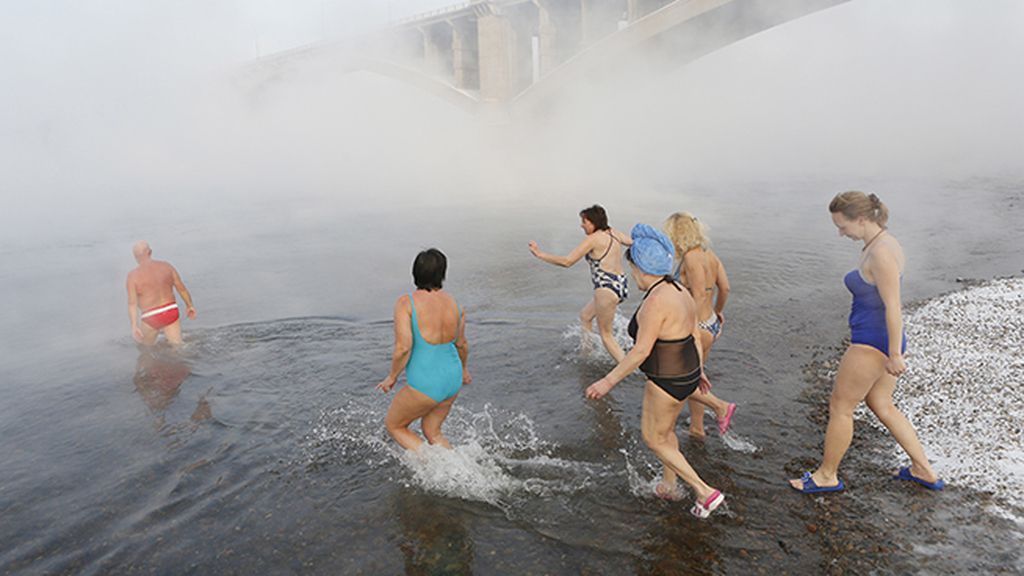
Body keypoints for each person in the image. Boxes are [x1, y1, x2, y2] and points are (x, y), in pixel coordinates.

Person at [790, 191, 944, 493]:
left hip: (872, 342)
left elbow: (893, 306)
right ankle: (923, 469)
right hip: (880, 340)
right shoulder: (881, 243)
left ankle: (826, 476)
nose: (840, 233)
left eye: (843, 226)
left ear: (861, 219)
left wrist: (895, 353)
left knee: (841, 407)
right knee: (881, 404)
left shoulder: (881, 253)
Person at [585, 224, 726, 519]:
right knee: (667, 433)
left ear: (641, 268)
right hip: (686, 369)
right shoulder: (679, 290)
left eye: (632, 266)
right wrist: (699, 371)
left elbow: (640, 351)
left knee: (654, 438)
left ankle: (704, 491)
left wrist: (607, 381)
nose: (631, 273)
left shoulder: (655, 301)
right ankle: (669, 485)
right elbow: (695, 335)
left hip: (666, 378)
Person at [376, 248, 471, 451]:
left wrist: (392, 377)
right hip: (452, 379)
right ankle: (457, 468)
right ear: (442, 274)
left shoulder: (406, 303)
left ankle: (436, 468)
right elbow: (461, 344)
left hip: (426, 382)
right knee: (432, 431)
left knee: (395, 426)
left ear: (415, 272)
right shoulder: (456, 305)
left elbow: (403, 347)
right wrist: (464, 370)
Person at [664, 212, 737, 438]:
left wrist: (688, 330)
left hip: (696, 328)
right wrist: (718, 312)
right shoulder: (710, 255)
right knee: (697, 379)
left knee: (674, 379)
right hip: (711, 325)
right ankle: (697, 428)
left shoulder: (691, 258)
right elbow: (724, 288)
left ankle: (720, 406)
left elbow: (697, 296)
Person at [529, 205, 633, 362]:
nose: (581, 225)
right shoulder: (614, 233)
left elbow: (567, 261)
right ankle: (587, 354)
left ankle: (630, 369)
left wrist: (539, 254)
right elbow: (634, 243)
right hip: (620, 285)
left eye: (584, 222)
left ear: (592, 222)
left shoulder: (592, 240)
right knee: (585, 316)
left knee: (606, 336)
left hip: (606, 289)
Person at [126, 241, 196, 346]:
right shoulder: (166, 266)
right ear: (150, 252)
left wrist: (134, 326)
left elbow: (132, 304)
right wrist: (190, 306)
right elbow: (182, 289)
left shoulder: (132, 276)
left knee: (145, 349)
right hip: (170, 310)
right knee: (178, 347)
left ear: (135, 257)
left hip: (151, 315)